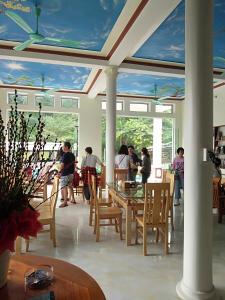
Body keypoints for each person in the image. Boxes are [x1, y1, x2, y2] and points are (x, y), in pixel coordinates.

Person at [58, 141, 76, 208]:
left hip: (65, 174)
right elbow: (74, 165)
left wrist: (59, 171)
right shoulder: (72, 155)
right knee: (70, 186)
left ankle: (65, 202)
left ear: (66, 147)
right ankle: (73, 199)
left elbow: (62, 165)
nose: (62, 147)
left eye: (63, 146)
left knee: (64, 187)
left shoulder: (65, 155)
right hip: (71, 174)